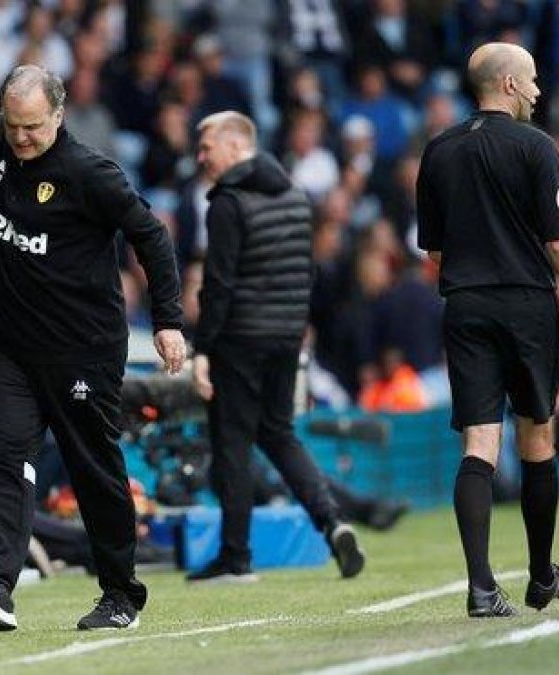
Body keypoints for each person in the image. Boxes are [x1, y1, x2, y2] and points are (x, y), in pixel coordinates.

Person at [0, 11, 185, 632]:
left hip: (84, 350)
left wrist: (168, 320)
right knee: (7, 459)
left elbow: (152, 237)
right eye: (14, 125)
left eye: (33, 127)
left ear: (58, 117)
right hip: (11, 348)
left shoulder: (91, 174)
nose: (22, 139)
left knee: (93, 469)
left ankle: (120, 595)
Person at [416, 42, 559, 618]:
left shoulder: (438, 151)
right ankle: (541, 577)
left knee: (479, 444)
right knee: (536, 438)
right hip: (525, 306)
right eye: (534, 81)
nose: (540, 91)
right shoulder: (538, 148)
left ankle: (481, 588)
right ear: (511, 85)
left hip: (464, 307)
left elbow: (435, 250)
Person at [189, 111, 366, 584]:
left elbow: (219, 284)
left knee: (233, 445)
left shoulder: (227, 202)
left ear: (234, 145)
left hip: (240, 339)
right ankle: (332, 523)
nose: (200, 156)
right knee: (279, 433)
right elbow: (303, 271)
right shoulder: (293, 192)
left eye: (207, 146)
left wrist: (202, 348)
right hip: (287, 335)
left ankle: (235, 557)